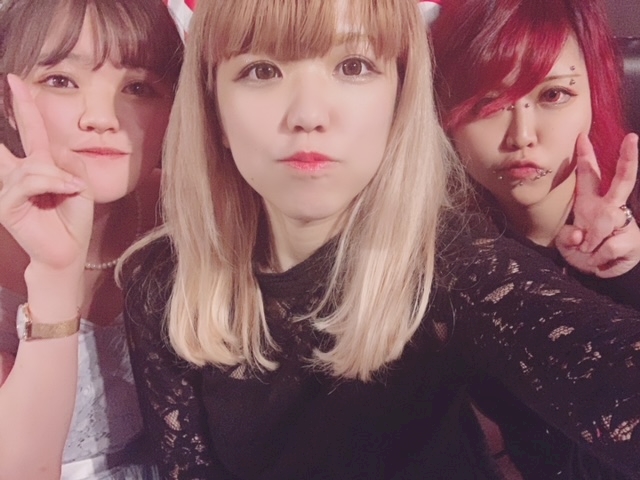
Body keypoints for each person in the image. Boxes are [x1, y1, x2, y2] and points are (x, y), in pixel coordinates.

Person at [122, 0, 640, 478]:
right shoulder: (162, 281)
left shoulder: (451, 262)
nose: (308, 115)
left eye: (353, 66)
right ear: (212, 106)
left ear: (400, 97)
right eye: (262, 70)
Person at [430, 0, 640, 478]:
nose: (522, 135)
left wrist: (631, 269)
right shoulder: (453, 254)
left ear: (595, 93)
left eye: (554, 95)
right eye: (486, 104)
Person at [0, 0, 183, 478]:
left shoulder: (189, 213)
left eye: (138, 87)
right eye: (61, 80)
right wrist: (54, 278)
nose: (102, 117)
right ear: (8, 102)